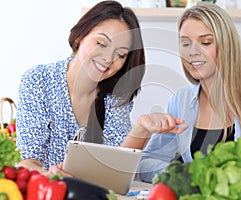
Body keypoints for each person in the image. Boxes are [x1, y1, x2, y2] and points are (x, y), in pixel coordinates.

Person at [137, 2, 241, 192]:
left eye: (206, 42)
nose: (192, 52)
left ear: (226, 45)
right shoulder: (181, 100)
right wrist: (191, 175)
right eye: (185, 43)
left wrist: (239, 187)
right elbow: (145, 163)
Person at [16, 0, 187, 177]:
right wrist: (50, 176)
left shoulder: (115, 97)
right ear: (79, 36)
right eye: (101, 44)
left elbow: (117, 169)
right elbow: (27, 162)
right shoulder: (38, 81)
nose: (107, 58)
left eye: (120, 54)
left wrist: (141, 128)